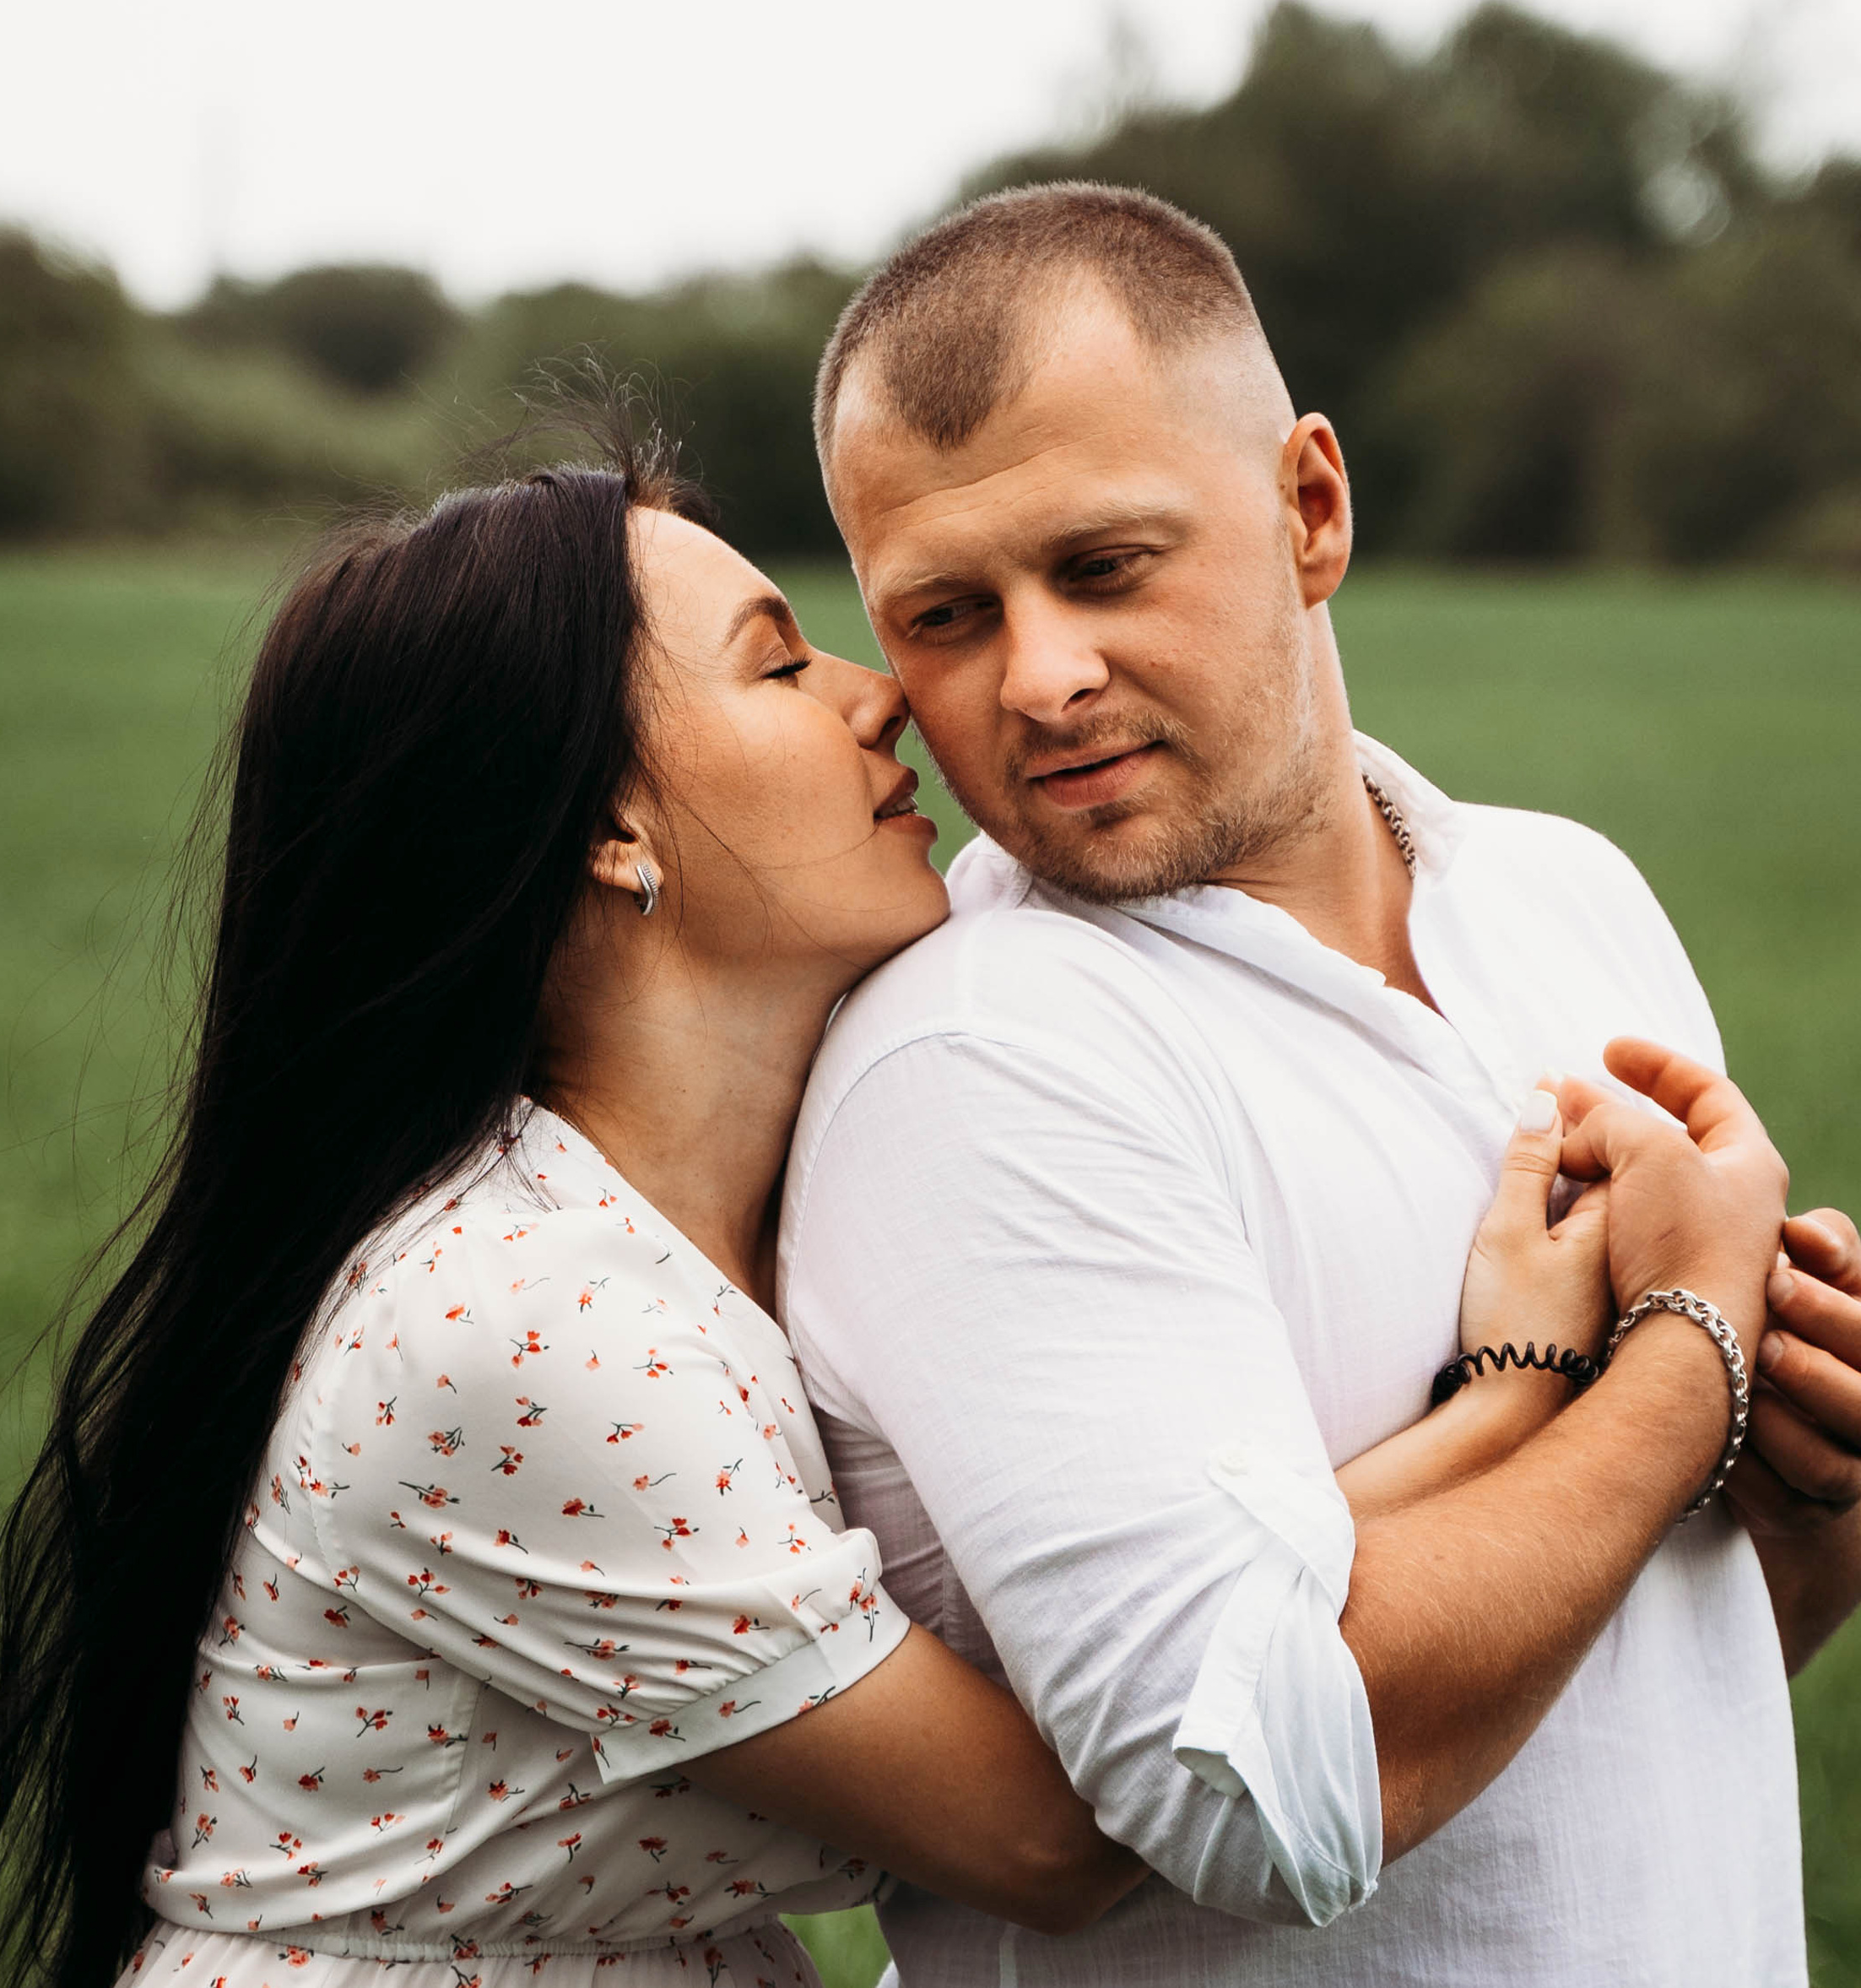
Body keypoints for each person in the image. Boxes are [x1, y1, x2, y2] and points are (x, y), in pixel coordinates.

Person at [0, 413, 1666, 1988]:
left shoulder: (729, 1235)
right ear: (612, 818)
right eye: (775, 664)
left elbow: (1172, 1637)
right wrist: (1592, 1378)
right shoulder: (528, 1326)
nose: (876, 692)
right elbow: (1069, 1820)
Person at [782, 181, 1861, 1986]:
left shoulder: (1567, 892)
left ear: (1306, 506)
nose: (1040, 676)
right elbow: (1259, 1802)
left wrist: (1811, 1496)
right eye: (948, 613)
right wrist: (1687, 1349)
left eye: (1103, 566)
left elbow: (1655, 1682)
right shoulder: (980, 1061)